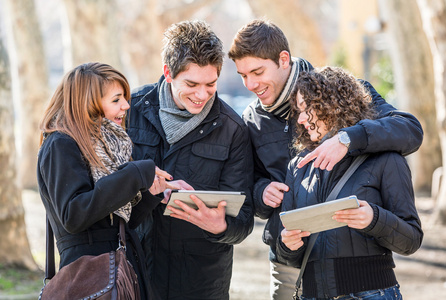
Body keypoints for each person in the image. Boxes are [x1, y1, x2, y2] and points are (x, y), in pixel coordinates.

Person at [228, 19, 424, 299]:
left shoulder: (339, 90)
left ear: (284, 59)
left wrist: (347, 139)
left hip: (359, 267)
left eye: (257, 72)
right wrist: (261, 191)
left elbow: (409, 130)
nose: (250, 84)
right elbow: (246, 184)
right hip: (291, 261)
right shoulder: (251, 120)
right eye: (243, 75)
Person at [127, 20, 254, 300]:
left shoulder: (232, 129)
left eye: (211, 84)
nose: (201, 95)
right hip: (136, 273)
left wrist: (221, 226)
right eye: (191, 84)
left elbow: (243, 220)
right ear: (168, 73)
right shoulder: (130, 111)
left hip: (202, 282)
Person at [277, 66, 423, 299]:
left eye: (307, 109)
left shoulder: (386, 158)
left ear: (333, 105)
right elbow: (289, 256)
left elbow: (412, 240)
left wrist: (374, 219)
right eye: (298, 110)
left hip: (372, 293)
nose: (301, 118)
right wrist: (287, 244)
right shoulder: (299, 166)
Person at [37, 62, 173, 299]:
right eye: (116, 99)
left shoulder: (109, 145)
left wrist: (152, 193)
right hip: (89, 279)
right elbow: (74, 215)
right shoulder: (61, 144)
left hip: (120, 273)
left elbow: (116, 224)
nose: (126, 105)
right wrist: (133, 174)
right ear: (88, 103)